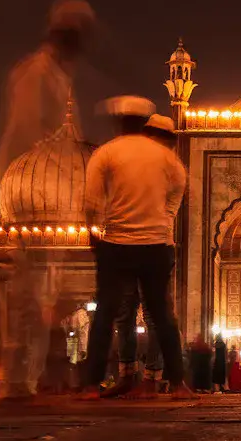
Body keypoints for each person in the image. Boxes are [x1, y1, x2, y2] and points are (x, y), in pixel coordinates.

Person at [81, 97, 189, 398]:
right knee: (162, 315)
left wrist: (94, 232)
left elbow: (91, 201)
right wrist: (162, 224)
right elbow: (176, 197)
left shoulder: (107, 152)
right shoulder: (168, 159)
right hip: (156, 246)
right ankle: (177, 384)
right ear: (145, 123)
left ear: (120, 121)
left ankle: (91, 385)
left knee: (106, 314)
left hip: (117, 244)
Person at [0, 0, 94, 184]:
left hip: (49, 178)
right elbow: (28, 130)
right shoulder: (36, 72)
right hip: (28, 179)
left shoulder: (60, 77)